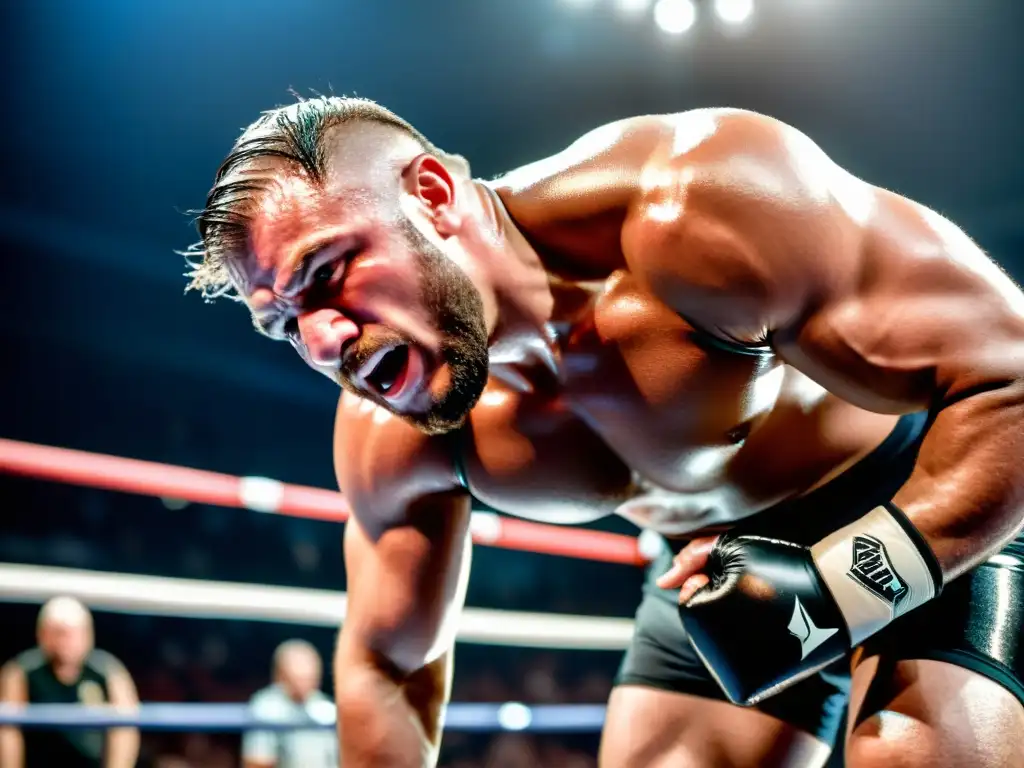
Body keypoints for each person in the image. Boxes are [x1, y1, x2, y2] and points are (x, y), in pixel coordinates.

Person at [186, 96, 1024, 768]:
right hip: (715, 579)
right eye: (286, 325)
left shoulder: (695, 206)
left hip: (930, 502)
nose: (325, 342)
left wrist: (842, 588)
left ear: (434, 196)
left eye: (327, 274)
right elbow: (386, 667)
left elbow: (1013, 377)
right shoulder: (391, 427)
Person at [0, 597, 139, 768]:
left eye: (72, 633)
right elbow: (8, 733)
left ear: (87, 634)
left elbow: (125, 731)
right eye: (58, 633)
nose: (65, 641)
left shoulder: (108, 670)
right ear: (43, 634)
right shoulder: (21, 671)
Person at [241, 640, 337, 768]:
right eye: (300, 677)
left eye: (310, 676)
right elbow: (257, 762)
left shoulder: (324, 706)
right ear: (281, 675)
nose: (306, 682)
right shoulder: (266, 707)